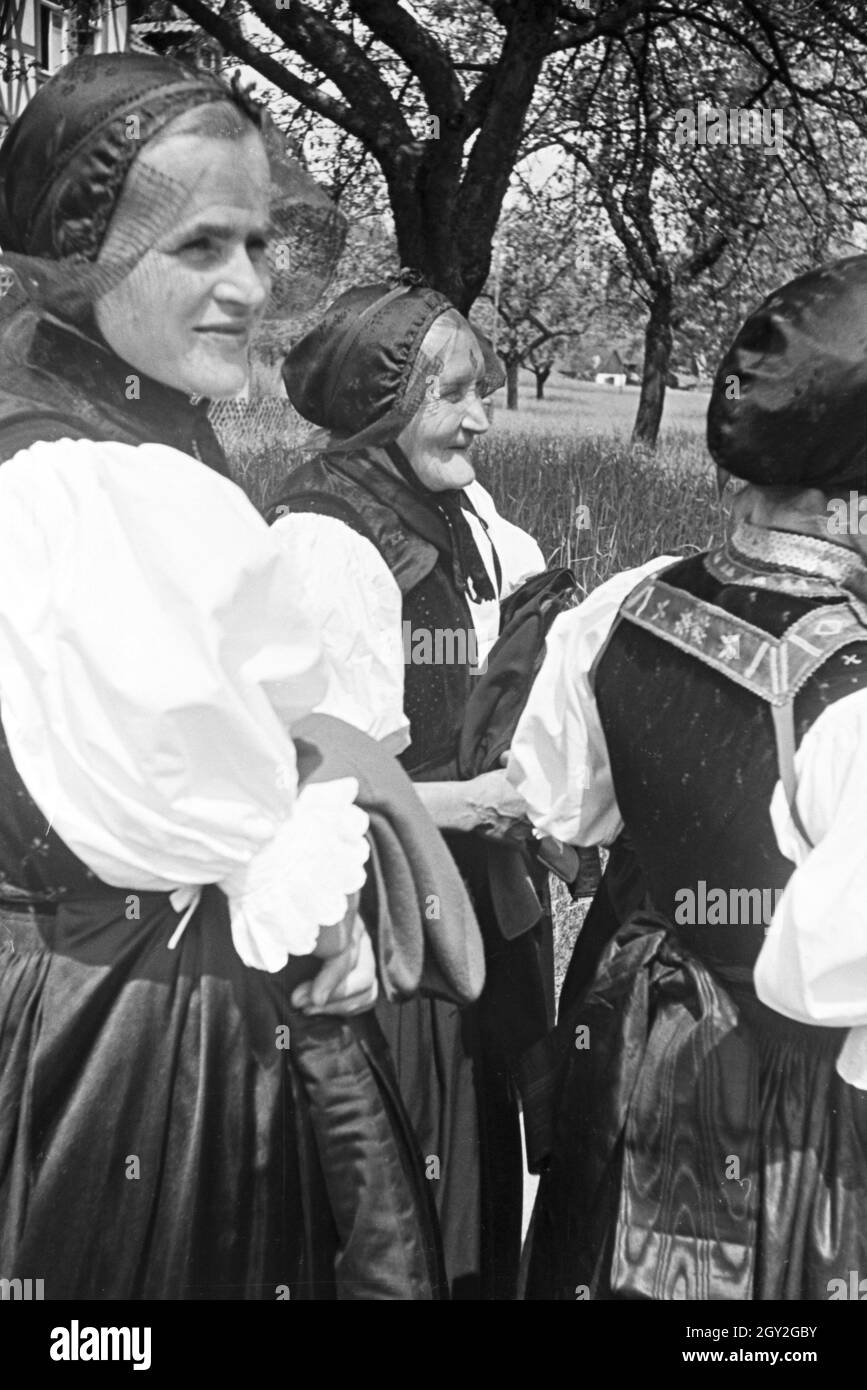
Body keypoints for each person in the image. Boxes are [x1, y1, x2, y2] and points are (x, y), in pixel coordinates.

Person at [0, 53, 481, 1301]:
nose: (249, 287)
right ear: (80, 248)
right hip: (133, 1016)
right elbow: (234, 823)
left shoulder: (111, 424)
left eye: (259, 245)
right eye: (199, 246)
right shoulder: (91, 480)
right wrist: (334, 847)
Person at [508, 254, 867, 1300]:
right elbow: (827, 969)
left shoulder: (621, 604)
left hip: (629, 1031)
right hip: (786, 1099)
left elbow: (562, 805)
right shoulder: (852, 682)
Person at [267, 280, 555, 1299]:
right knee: (406, 1222)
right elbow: (324, 794)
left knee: (468, 1207)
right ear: (391, 404)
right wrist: (481, 802)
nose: (480, 416)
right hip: (383, 943)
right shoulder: (329, 542)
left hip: (463, 917)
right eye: (457, 395)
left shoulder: (456, 511)